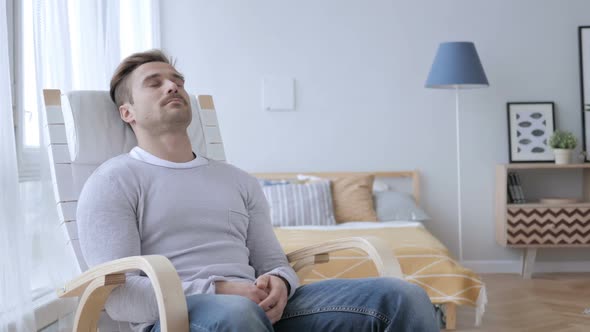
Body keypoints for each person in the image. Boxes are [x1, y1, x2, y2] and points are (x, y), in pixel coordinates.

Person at [77, 49, 439, 332]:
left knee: (404, 296)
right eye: (154, 83)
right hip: (181, 319)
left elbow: (274, 263)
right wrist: (221, 290)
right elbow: (120, 296)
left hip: (258, 309)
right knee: (237, 314)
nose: (173, 86)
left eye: (177, 80)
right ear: (128, 113)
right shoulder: (114, 182)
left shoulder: (237, 180)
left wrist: (280, 283)